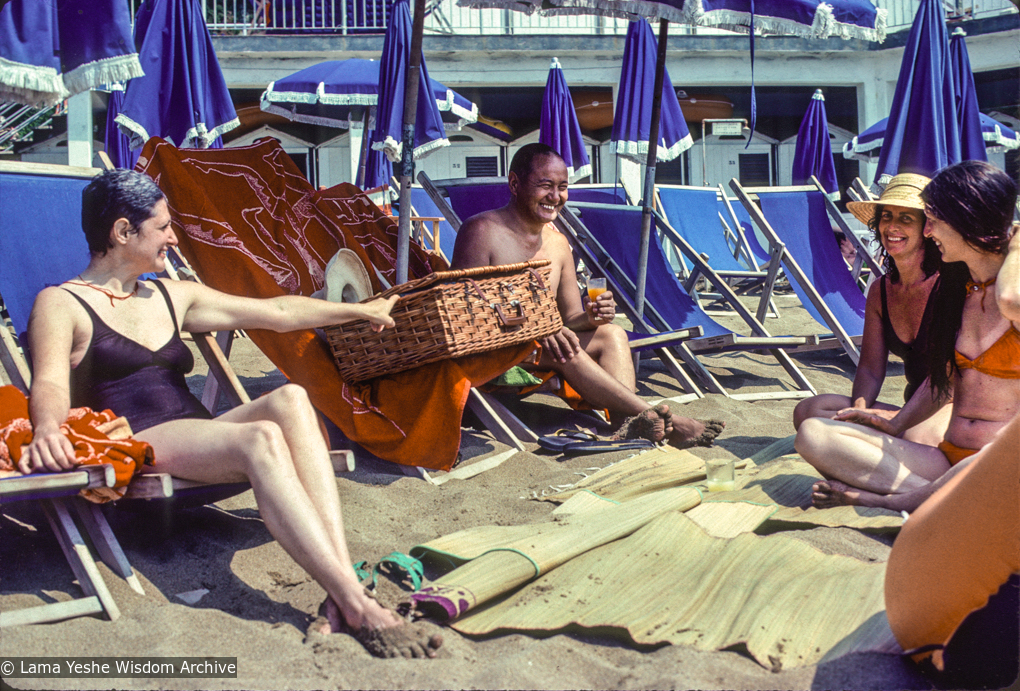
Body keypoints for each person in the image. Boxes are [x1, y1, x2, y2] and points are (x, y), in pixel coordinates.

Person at [19, 169, 442, 659]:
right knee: (260, 437)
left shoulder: (170, 294)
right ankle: (357, 604)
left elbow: (276, 313)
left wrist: (359, 312)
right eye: (163, 227)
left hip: (196, 435)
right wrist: (48, 426)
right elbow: (48, 380)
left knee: (291, 399)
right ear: (122, 232)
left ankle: (340, 586)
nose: (174, 237)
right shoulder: (61, 302)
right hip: (136, 441)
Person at [451, 143, 723, 448]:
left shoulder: (558, 244)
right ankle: (651, 414)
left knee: (611, 334)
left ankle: (626, 424)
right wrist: (537, 329)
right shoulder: (482, 231)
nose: (555, 196)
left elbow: (569, 319)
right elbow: (464, 315)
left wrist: (591, 317)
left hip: (539, 347)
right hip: (489, 355)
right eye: (545, 186)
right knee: (561, 344)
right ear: (515, 184)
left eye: (563, 187)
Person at [795, 160, 1019, 512]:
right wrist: (893, 423)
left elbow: (1010, 299)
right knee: (812, 433)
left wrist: (1016, 246)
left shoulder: (1009, 295)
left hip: (996, 462)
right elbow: (939, 379)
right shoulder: (955, 291)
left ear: (966, 220)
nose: (929, 232)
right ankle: (946, 501)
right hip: (946, 456)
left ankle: (928, 501)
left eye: (934, 220)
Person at [793, 174, 950, 446]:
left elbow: (951, 380)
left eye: (906, 218)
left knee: (920, 436)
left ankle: (893, 439)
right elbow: (870, 370)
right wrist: (861, 412)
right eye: (886, 216)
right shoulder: (881, 290)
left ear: (927, 227)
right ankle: (888, 437)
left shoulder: (948, 285)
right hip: (909, 409)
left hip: (950, 408)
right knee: (808, 411)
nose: (892, 226)